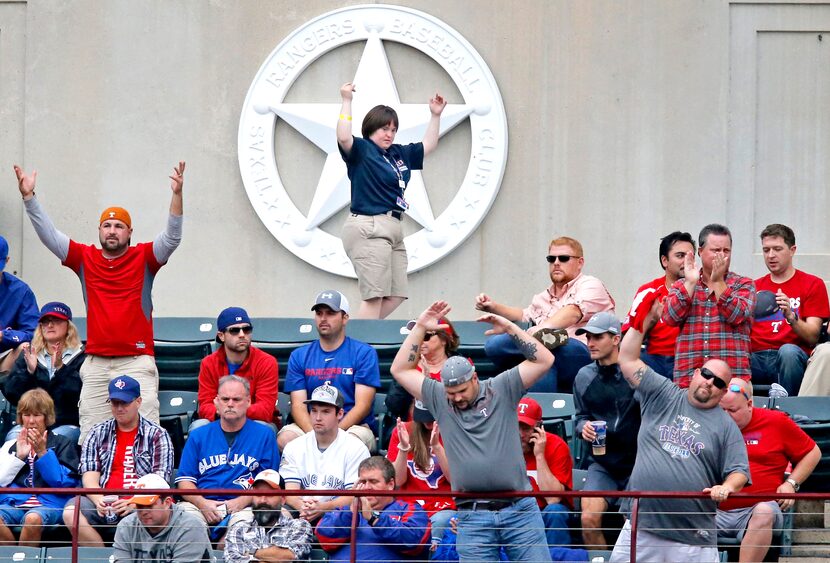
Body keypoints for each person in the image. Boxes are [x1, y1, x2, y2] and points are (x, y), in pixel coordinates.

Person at [14, 161, 185, 440]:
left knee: (146, 435)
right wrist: (29, 198)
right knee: (91, 437)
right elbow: (49, 236)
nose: (112, 230)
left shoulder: (144, 258)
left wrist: (177, 194)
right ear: (99, 230)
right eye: (107, 225)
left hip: (137, 360)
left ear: (129, 232)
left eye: (119, 226)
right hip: (95, 362)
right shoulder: (85, 258)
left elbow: (172, 238)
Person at [391, 300, 555, 562]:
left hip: (519, 510)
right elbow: (399, 370)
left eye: (461, 391)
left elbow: (545, 359)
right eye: (451, 392)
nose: (456, 398)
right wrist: (421, 326)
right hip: (472, 514)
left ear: (475, 378)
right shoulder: (438, 398)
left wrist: (512, 328)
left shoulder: (501, 388)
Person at [610, 299, 750, 563]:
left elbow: (739, 471)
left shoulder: (726, 425)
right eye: (707, 374)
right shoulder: (662, 393)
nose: (710, 382)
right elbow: (627, 358)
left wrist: (726, 487)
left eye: (719, 382)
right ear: (696, 372)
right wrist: (644, 320)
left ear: (722, 391)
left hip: (692, 537)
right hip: (642, 526)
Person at [337, 83, 447, 319]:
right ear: (371, 129)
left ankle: (355, 336)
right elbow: (344, 136)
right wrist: (347, 101)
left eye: (393, 129)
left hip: (394, 228)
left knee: (396, 293)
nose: (389, 134)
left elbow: (428, 145)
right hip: (369, 225)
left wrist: (435, 115)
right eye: (384, 128)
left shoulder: (398, 153)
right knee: (374, 296)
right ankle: (357, 347)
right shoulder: (362, 149)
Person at [477, 236, 615, 393]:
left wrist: (541, 329)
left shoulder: (590, 285)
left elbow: (573, 312)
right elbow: (524, 315)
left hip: (582, 355)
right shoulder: (543, 297)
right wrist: (493, 307)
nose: (556, 263)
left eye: (563, 258)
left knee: (553, 347)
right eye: (551, 258)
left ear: (580, 263)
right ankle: (539, 410)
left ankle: (539, 347)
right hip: (549, 358)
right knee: (495, 345)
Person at [63, 375, 174, 547]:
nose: (119, 408)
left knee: (149, 513)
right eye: (115, 403)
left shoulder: (158, 434)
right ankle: (101, 557)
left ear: (138, 401)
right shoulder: (97, 432)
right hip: (104, 500)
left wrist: (134, 503)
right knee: (71, 512)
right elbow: (89, 476)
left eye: (125, 403)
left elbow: (161, 481)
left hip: (142, 503)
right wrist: (97, 499)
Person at [718, 378, 820, 562]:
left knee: (764, 512)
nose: (726, 416)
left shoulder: (775, 421)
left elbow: (813, 452)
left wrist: (791, 483)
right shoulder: (711, 424)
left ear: (749, 404)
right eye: (721, 409)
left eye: (732, 410)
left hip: (759, 509)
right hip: (715, 510)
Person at [176, 375, 280, 542]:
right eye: (225, 399)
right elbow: (184, 482)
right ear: (216, 402)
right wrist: (202, 503)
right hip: (200, 503)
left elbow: (268, 482)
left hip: (245, 506)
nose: (230, 404)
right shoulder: (198, 435)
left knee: (234, 539)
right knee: (189, 530)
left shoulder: (265, 435)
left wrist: (242, 501)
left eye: (236, 399)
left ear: (248, 401)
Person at [278, 290, 379, 452]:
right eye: (319, 313)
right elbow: (298, 405)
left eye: (331, 313)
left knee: (351, 444)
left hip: (353, 427)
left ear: (345, 318)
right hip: (311, 425)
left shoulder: (363, 353)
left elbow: (363, 405)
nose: (323, 318)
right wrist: (314, 435)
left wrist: (334, 434)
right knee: (285, 438)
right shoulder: (299, 355)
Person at [573, 312, 640, 549]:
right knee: (588, 519)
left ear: (616, 339)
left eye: (597, 337)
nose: (590, 343)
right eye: (588, 337)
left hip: (639, 462)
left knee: (634, 525)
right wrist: (584, 427)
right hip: (603, 463)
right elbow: (580, 417)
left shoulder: (635, 372)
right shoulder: (584, 376)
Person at [663, 224, 756, 387]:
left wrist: (718, 281)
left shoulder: (744, 284)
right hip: (690, 381)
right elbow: (670, 318)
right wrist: (690, 283)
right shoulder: (681, 284)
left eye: (726, 251)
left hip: (732, 382)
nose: (721, 256)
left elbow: (737, 316)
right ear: (700, 252)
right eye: (715, 250)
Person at [749, 224, 830, 395]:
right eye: (766, 250)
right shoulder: (752, 287)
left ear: (792, 250)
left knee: (788, 352)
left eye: (777, 249)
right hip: (755, 356)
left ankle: (792, 413)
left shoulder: (812, 284)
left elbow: (813, 336)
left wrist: (790, 316)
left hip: (791, 357)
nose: (771, 255)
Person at [279, 382, 370, 524]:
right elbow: (290, 494)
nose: (318, 417)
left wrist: (323, 508)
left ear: (339, 414)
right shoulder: (294, 446)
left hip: (338, 515)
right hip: (302, 512)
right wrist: (307, 509)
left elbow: (353, 496)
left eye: (325, 411)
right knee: (279, 515)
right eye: (314, 410)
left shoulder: (356, 448)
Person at [0, 389, 79, 547]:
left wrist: (43, 454)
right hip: (14, 502)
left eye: (37, 415)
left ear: (47, 417)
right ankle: (13, 557)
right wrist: (19, 457)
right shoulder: (10, 445)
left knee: (33, 518)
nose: (31, 421)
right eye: (26, 415)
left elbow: (63, 483)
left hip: (49, 504)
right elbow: (1, 481)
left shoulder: (63, 443)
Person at [316, 456, 430, 561]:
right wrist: (351, 513)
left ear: (390, 484)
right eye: (362, 482)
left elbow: (414, 542)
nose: (366, 487)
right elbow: (324, 538)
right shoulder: (345, 510)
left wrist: (374, 518)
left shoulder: (410, 509)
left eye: (373, 481)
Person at [4, 302, 83, 443]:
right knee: (13, 440)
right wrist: (29, 372)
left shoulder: (81, 356)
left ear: (68, 326)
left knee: (58, 440)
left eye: (56, 321)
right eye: (45, 322)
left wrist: (61, 368)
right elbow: (12, 394)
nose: (50, 325)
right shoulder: (30, 354)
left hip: (66, 424)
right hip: (30, 424)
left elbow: (77, 397)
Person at [622, 231, 696, 378]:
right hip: (655, 360)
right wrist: (649, 322)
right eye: (680, 256)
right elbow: (626, 337)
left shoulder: (703, 292)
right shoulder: (649, 291)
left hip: (691, 361)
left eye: (690, 257)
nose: (686, 262)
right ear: (664, 261)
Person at [194, 307, 279, 431]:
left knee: (265, 428)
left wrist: (228, 410)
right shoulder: (209, 363)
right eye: (234, 330)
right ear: (221, 336)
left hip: (254, 423)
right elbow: (205, 406)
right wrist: (229, 413)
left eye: (246, 329)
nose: (242, 335)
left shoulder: (267, 362)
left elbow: (264, 410)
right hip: (220, 422)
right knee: (198, 426)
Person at [387, 401, 455, 552]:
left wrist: (437, 447)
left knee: (440, 522)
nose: (428, 423)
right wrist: (403, 449)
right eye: (424, 417)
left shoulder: (454, 430)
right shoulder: (403, 429)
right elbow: (397, 480)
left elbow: (455, 480)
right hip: (408, 506)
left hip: (443, 506)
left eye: (431, 418)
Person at [112, 473, 212, 563]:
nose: (144, 512)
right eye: (139, 506)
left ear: (167, 503)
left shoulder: (191, 527)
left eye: (149, 505)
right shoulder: (126, 526)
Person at [516, 396, 573, 548]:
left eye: (526, 428)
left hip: (545, 511)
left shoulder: (556, 445)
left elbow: (553, 499)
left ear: (539, 427)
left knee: (555, 511)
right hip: (516, 511)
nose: (520, 434)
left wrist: (539, 455)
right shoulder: (503, 445)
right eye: (516, 426)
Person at [224, 469, 314, 563]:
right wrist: (272, 557)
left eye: (269, 494)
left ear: (283, 499)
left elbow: (289, 556)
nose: (263, 500)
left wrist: (252, 553)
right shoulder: (238, 529)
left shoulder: (299, 526)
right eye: (258, 494)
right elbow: (232, 560)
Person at [386, 317, 460, 423]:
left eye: (426, 336)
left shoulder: (460, 365)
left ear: (444, 339)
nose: (419, 341)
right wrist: (406, 379)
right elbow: (393, 406)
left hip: (449, 427)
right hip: (411, 428)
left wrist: (427, 384)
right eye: (416, 337)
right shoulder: (406, 367)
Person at [0, 235, 38, 374]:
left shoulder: (20, 291)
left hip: (4, 356)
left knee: (25, 347)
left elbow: (33, 332)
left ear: (6, 261)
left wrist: (5, 335)